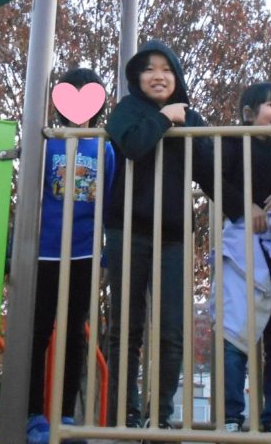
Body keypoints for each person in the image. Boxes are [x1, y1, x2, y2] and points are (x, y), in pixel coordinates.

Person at [103, 40, 214, 430]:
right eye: (149, 69)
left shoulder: (191, 117)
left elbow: (211, 172)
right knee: (126, 328)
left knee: (171, 331)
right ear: (137, 77)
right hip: (127, 230)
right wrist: (165, 118)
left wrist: (246, 206)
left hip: (174, 235)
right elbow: (134, 145)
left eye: (166, 69)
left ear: (177, 76)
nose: (158, 76)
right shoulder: (126, 111)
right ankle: (125, 415)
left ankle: (161, 417)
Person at [27, 67, 116, 444]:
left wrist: (105, 250)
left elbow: (107, 200)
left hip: (83, 252)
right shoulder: (48, 142)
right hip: (45, 251)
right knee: (37, 330)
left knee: (75, 332)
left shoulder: (103, 146)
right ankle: (32, 413)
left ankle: (64, 414)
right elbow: (32, 194)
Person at [218, 81, 271, 433]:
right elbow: (218, 182)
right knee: (235, 331)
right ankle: (230, 414)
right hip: (243, 245)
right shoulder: (235, 141)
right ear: (249, 114)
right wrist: (245, 205)